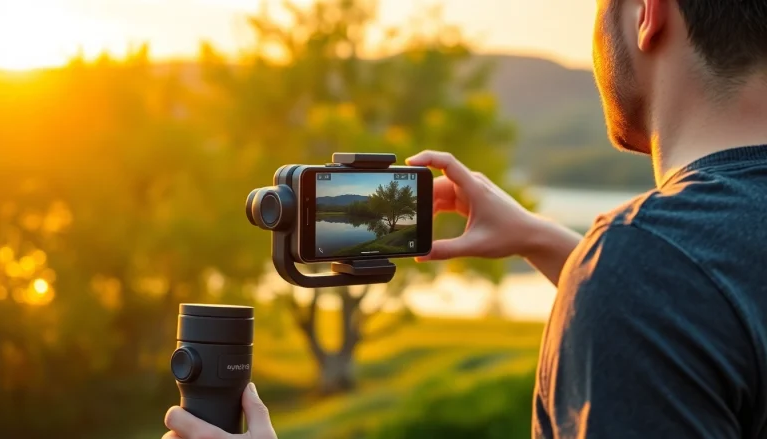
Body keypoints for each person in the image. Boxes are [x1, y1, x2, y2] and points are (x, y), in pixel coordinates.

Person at [163, 0, 767, 437]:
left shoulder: (645, 265)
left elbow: (678, 287)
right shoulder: (660, 269)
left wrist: (612, 269)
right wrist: (547, 242)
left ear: (648, 12)